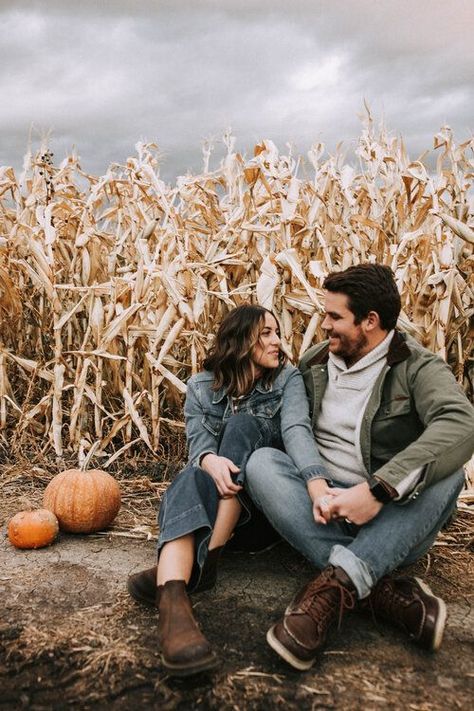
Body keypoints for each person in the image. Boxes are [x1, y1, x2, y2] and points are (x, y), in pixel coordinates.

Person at [244, 263, 474, 670]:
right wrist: (316, 485)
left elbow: (461, 424)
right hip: (323, 508)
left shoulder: (418, 367)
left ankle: (332, 591)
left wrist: (378, 491)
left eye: (335, 317)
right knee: (262, 463)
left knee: (448, 475)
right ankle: (380, 590)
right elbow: (295, 428)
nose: (324, 324)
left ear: (370, 321)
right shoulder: (316, 360)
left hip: (391, 515)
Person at [127, 304, 328, 676]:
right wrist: (209, 461)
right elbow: (196, 447)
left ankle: (181, 569)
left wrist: (316, 481)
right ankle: (177, 603)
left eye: (277, 332)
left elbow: (297, 430)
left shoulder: (286, 380)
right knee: (191, 475)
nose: (277, 341)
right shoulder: (201, 386)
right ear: (240, 340)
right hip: (214, 515)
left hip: (260, 519)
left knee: (241, 426)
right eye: (266, 333)